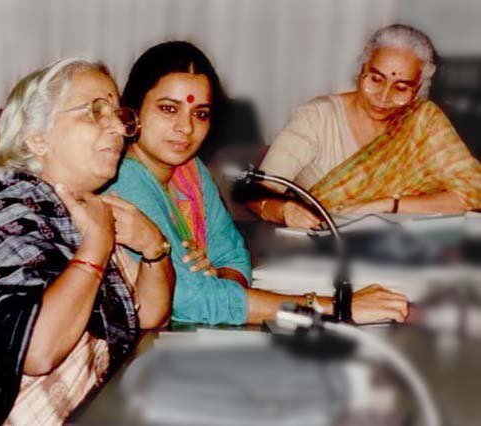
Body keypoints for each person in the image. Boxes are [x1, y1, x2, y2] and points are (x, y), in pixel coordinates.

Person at [0, 57, 174, 425]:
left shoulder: (87, 207)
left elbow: (150, 314)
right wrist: (97, 245)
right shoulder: (3, 210)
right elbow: (38, 350)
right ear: (37, 138)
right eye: (95, 112)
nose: (118, 127)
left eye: (119, 115)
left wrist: (154, 246)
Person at [108, 41, 408, 327]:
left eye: (200, 114)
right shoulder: (122, 180)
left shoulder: (189, 169)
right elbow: (187, 300)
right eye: (168, 109)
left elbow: (233, 255)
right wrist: (334, 307)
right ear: (132, 109)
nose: (186, 128)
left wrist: (218, 290)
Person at [250, 24, 481, 228]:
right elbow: (255, 192)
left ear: (418, 89)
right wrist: (283, 211)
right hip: (325, 252)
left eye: (400, 88)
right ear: (361, 71)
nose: (383, 96)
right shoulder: (317, 117)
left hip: (408, 249)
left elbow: (474, 191)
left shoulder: (424, 121)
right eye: (376, 79)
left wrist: (387, 205)